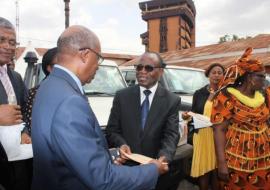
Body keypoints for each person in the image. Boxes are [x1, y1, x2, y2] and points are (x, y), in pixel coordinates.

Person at [31, 25, 168, 190]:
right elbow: (102, 179)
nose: (98, 66)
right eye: (98, 58)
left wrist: (110, 155)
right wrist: (153, 170)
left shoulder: (48, 85)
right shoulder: (70, 102)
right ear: (85, 54)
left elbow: (66, 152)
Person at [106, 52, 181, 190]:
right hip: (126, 170)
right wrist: (121, 144)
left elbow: (171, 135)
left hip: (155, 170)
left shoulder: (172, 101)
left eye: (148, 68)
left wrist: (163, 158)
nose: (142, 72)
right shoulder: (122, 96)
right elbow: (112, 130)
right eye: (139, 67)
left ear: (161, 71)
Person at [211, 47, 270, 189]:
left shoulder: (265, 95)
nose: (265, 80)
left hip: (264, 157)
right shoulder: (227, 97)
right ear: (249, 77)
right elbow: (219, 130)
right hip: (237, 158)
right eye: (261, 76)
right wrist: (221, 163)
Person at [0, 17, 31, 190]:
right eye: (1, 40)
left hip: (17, 160)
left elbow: (25, 112)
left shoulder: (16, 78)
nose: (7, 46)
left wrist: (24, 132)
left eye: (12, 42)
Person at [188, 63, 225, 190]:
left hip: (218, 136)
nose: (216, 75)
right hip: (202, 135)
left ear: (223, 76)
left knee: (216, 170)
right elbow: (193, 112)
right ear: (208, 75)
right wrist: (188, 117)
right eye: (213, 72)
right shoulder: (199, 93)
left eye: (220, 72)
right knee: (203, 170)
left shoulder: (226, 93)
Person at [22, 47, 57, 142]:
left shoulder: (72, 89)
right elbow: (32, 126)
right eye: (62, 65)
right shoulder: (37, 93)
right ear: (50, 68)